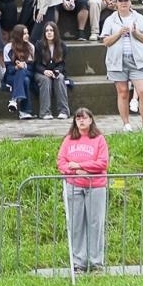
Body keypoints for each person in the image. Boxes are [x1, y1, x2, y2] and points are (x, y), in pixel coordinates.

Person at [57, 108, 109, 274]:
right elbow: (61, 162)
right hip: (74, 185)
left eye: (84, 118)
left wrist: (81, 166)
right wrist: (74, 172)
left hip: (96, 186)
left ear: (91, 120)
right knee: (76, 225)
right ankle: (78, 262)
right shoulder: (68, 140)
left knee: (96, 224)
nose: (81, 121)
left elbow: (102, 163)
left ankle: (96, 263)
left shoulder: (99, 140)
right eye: (78, 118)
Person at [101, 0, 143, 131]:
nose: (123, 3)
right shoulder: (110, 20)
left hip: (137, 60)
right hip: (117, 60)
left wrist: (136, 33)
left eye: (126, 0)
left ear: (130, 2)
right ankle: (126, 124)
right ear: (116, 3)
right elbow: (105, 41)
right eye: (121, 0)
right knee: (123, 92)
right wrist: (118, 33)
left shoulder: (139, 18)